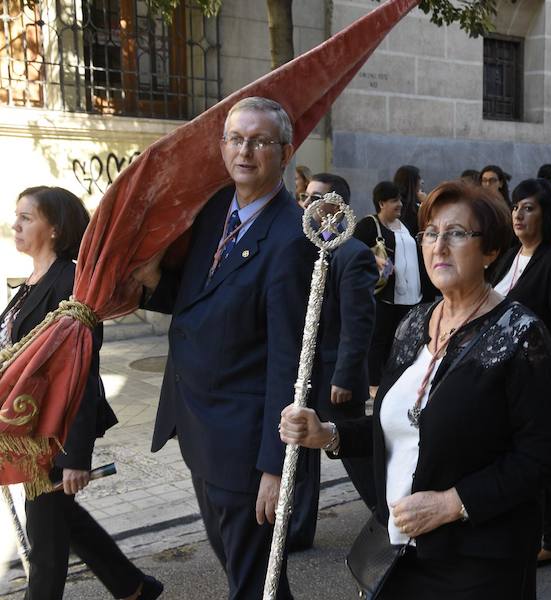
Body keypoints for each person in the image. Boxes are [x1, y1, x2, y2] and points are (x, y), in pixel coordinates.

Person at [280, 181, 551, 598]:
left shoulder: (522, 335)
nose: (439, 246)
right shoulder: (415, 323)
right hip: (398, 554)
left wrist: (452, 503)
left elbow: (544, 457)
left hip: (478, 563)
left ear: (490, 251)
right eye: (431, 233)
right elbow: (401, 427)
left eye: (456, 234)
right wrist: (329, 433)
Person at [132, 97, 316, 600]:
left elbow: (291, 363)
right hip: (199, 432)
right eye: (235, 138)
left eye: (259, 141)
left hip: (243, 448)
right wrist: (152, 284)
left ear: (285, 151)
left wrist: (276, 466)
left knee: (256, 581)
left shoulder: (291, 238)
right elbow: (202, 301)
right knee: (252, 577)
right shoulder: (215, 210)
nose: (245, 150)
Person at [2, 186, 163, 600]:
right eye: (16, 216)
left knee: (46, 549)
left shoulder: (73, 283)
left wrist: (76, 456)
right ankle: (134, 588)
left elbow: (82, 374)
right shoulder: (27, 285)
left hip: (54, 437)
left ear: (54, 228)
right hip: (29, 431)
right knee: (62, 523)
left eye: (26, 217)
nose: (14, 224)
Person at [289, 172, 378, 551]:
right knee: (301, 455)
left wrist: (343, 377)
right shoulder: (306, 247)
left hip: (335, 380)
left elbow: (358, 324)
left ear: (337, 203)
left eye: (315, 197)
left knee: (355, 455)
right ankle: (298, 529)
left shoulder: (354, 253)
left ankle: (390, 512)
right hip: (304, 376)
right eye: (304, 196)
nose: (307, 203)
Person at [491, 178, 551, 567]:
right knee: (516, 458)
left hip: (541, 377)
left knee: (533, 458)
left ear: (546, 214)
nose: (518, 215)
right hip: (505, 377)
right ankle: (541, 533)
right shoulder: (510, 257)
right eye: (515, 207)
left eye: (528, 208)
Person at [354, 181, 435, 398]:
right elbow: (351, 248)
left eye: (399, 199)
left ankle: (397, 380)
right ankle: (373, 383)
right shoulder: (369, 225)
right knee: (379, 339)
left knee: (402, 341)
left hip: (412, 296)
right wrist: (374, 258)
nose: (399, 204)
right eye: (394, 201)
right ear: (381, 203)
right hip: (385, 296)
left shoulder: (405, 224)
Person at [395, 165, 425, 235]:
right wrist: (426, 203)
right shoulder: (405, 207)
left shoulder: (414, 204)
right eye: (419, 179)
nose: (422, 182)